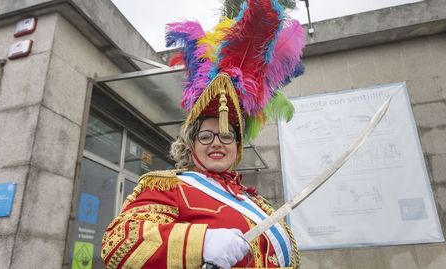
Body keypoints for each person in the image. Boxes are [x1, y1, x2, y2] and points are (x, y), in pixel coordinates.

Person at [101, 0, 306, 268]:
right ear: (191, 144)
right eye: (206, 136)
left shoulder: (255, 201)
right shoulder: (168, 186)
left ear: (238, 145)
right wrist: (202, 242)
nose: (217, 143)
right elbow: (120, 242)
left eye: (226, 136)